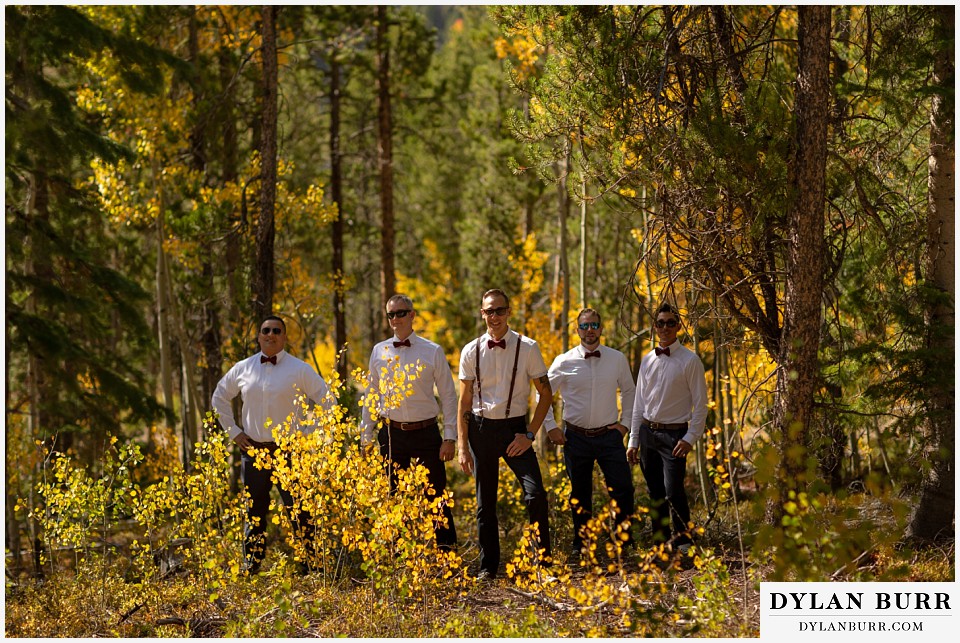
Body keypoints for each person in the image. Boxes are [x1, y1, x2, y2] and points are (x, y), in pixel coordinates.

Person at [212, 315, 333, 574]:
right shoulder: (243, 368)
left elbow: (328, 401)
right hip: (253, 450)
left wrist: (310, 433)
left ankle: (310, 566)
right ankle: (251, 565)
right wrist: (233, 432)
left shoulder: (299, 369)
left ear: (284, 336)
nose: (271, 334)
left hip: (290, 452)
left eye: (276, 330)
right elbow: (219, 397)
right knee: (254, 510)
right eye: (266, 330)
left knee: (299, 511)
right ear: (258, 336)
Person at [457, 289, 556, 580]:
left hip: (515, 429)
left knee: (535, 493)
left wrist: (529, 434)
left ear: (509, 312)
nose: (495, 316)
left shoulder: (528, 347)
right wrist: (463, 446)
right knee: (484, 503)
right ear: (482, 313)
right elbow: (463, 402)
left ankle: (543, 564)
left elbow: (546, 393)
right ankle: (488, 568)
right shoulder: (470, 350)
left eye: (500, 310)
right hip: (481, 428)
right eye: (490, 311)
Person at [360, 294, 458, 551]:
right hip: (391, 434)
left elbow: (448, 394)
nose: (395, 319)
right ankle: (398, 557)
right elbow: (371, 394)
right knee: (393, 496)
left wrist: (450, 437)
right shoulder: (378, 351)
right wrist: (366, 435)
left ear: (412, 315)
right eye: (391, 314)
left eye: (400, 313)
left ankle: (447, 554)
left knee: (436, 495)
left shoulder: (432, 350)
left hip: (426, 432)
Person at [541, 308, 636, 558]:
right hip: (576, 438)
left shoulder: (617, 359)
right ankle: (581, 544)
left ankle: (624, 543)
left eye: (594, 325)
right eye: (584, 326)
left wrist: (625, 424)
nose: (590, 330)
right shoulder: (563, 361)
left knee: (623, 488)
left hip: (609, 436)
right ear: (577, 330)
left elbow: (629, 391)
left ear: (601, 328)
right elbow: (544, 395)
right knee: (580, 494)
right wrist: (550, 426)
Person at [627, 303, 708, 554]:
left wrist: (690, 437)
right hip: (647, 432)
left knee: (673, 491)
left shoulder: (690, 360)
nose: (665, 328)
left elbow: (701, 405)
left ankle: (685, 542)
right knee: (654, 492)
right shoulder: (647, 359)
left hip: (675, 435)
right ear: (655, 326)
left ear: (679, 326)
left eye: (670, 323)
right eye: (660, 323)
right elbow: (638, 402)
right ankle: (660, 543)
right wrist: (633, 440)